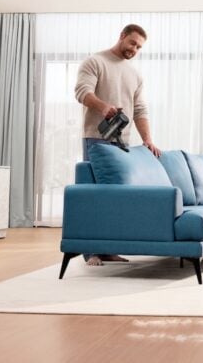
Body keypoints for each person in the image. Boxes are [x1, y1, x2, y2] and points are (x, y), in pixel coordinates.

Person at [74, 24, 161, 266]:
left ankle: (109, 249)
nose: (135, 49)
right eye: (132, 43)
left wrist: (147, 140)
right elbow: (82, 92)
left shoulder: (135, 74)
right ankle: (91, 252)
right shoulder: (95, 61)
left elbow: (140, 109)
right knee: (94, 196)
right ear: (122, 36)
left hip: (122, 143)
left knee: (115, 199)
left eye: (139, 47)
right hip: (95, 137)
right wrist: (104, 108)